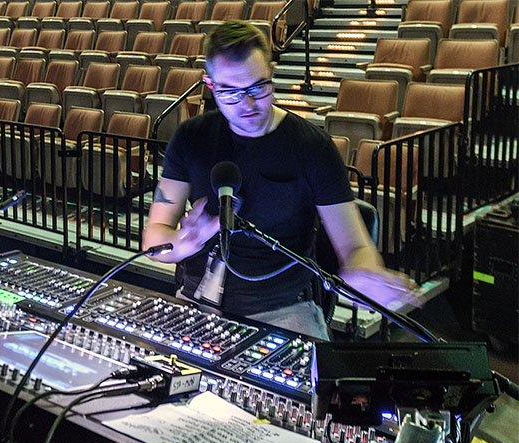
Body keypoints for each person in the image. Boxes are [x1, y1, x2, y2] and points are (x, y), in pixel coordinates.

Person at [142, 21, 419, 340]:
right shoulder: (191, 138)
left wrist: (364, 271)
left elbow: (355, 246)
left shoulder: (312, 147)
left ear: (272, 70)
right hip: (195, 302)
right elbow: (153, 242)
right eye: (230, 92)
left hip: (283, 311)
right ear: (210, 85)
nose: (247, 105)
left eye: (258, 88)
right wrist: (183, 242)